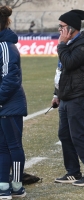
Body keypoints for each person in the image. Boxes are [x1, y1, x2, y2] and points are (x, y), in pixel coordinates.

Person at [51, 9, 84, 186]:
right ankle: (73, 171)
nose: (59, 30)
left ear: (71, 28)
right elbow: (61, 70)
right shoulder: (70, 44)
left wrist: (61, 45)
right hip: (66, 97)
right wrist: (57, 94)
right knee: (64, 135)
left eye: (62, 27)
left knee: (78, 135)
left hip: (79, 97)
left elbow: (69, 63)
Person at [0, 5, 27, 199]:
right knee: (2, 147)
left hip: (10, 104)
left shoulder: (6, 47)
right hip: (3, 104)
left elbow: (10, 78)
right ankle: (3, 186)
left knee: (14, 145)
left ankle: (16, 186)